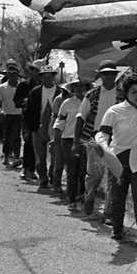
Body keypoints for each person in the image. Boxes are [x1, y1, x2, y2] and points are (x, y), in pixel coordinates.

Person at [95, 76, 137, 245]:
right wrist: (101, 146)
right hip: (119, 158)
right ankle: (117, 230)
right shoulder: (114, 111)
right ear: (126, 93)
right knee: (118, 195)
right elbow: (103, 134)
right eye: (134, 92)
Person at [73, 61, 124, 218]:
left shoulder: (122, 95)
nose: (109, 77)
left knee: (113, 174)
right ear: (100, 76)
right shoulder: (92, 94)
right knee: (94, 173)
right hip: (94, 137)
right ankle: (89, 195)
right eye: (105, 74)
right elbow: (81, 117)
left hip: (116, 139)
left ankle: (109, 212)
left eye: (112, 74)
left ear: (116, 76)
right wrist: (76, 141)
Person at [24, 63, 60, 192]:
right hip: (37, 127)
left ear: (54, 77)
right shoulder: (35, 92)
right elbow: (27, 111)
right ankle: (43, 178)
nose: (47, 79)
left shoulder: (60, 92)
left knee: (55, 156)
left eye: (50, 76)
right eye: (44, 76)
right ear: (41, 77)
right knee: (40, 156)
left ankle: (53, 177)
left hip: (54, 129)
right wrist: (28, 128)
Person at [54, 79, 87, 207]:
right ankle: (71, 198)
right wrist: (56, 134)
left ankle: (82, 195)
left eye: (81, 86)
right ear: (72, 89)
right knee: (72, 170)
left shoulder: (89, 102)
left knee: (83, 170)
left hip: (85, 140)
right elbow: (60, 120)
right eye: (76, 86)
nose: (79, 88)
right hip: (68, 139)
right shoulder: (67, 103)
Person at [0, 65, 24, 167]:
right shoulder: (2, 87)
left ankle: (16, 157)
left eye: (14, 74)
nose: (12, 76)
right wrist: (1, 110)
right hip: (7, 114)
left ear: (17, 75)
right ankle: (6, 156)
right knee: (7, 137)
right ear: (8, 75)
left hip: (19, 114)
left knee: (17, 136)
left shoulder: (22, 86)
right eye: (10, 74)